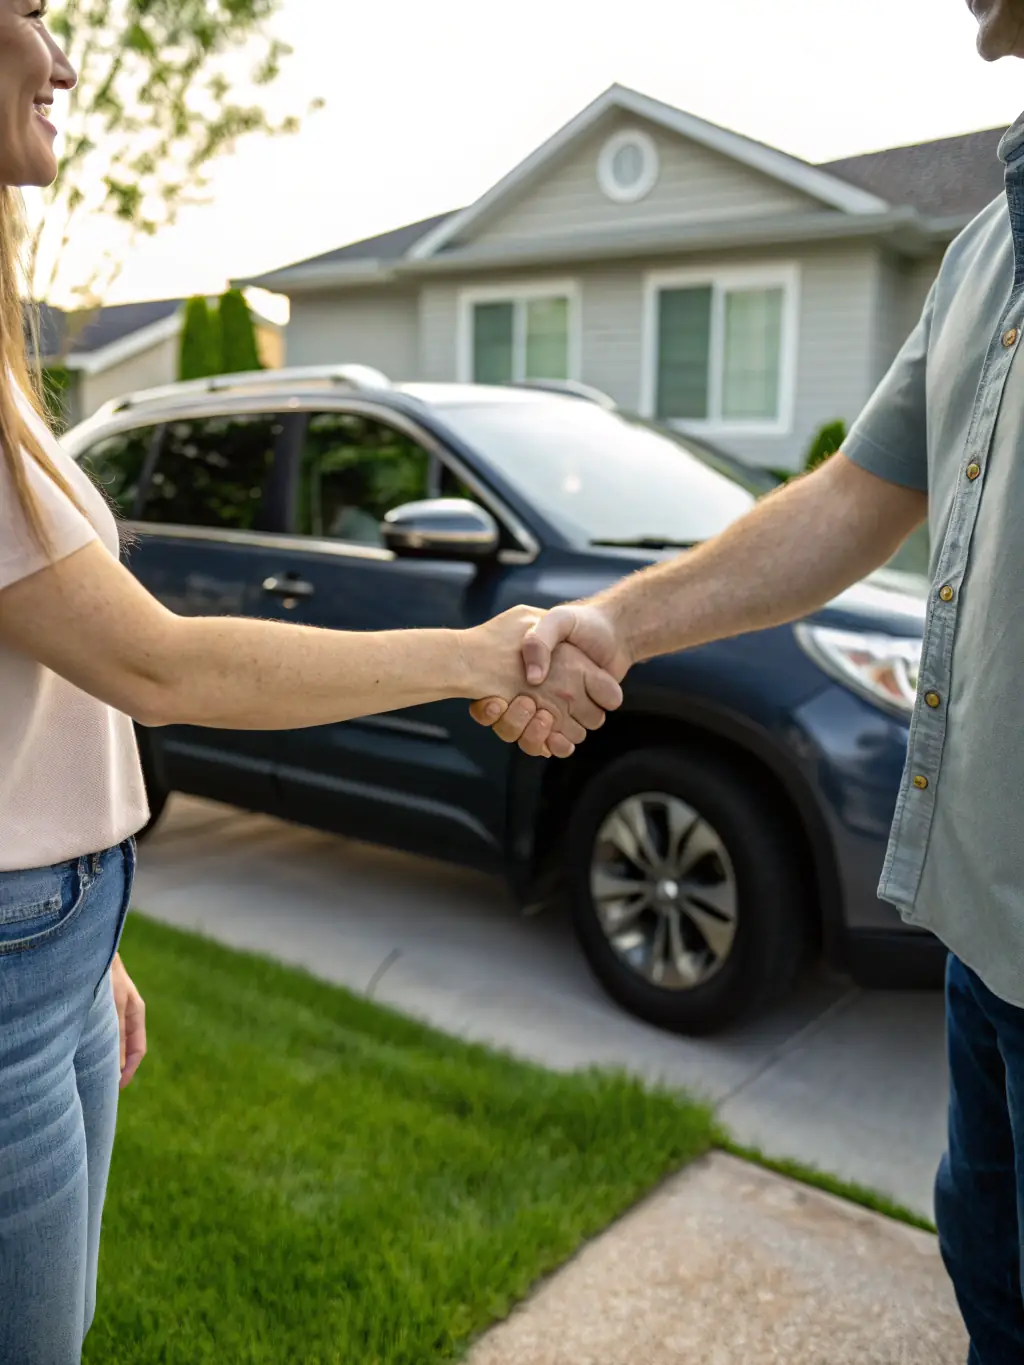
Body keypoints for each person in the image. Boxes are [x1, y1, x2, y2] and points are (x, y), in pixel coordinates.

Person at [0, 8, 621, 1362]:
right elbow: (159, 663)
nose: (66, 55)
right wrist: (476, 654)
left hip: (53, 938)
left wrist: (87, 951)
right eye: (33, 11)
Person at [474, 3, 1024, 1358]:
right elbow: (850, 498)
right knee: (995, 1286)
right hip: (988, 944)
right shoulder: (984, 250)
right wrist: (613, 620)